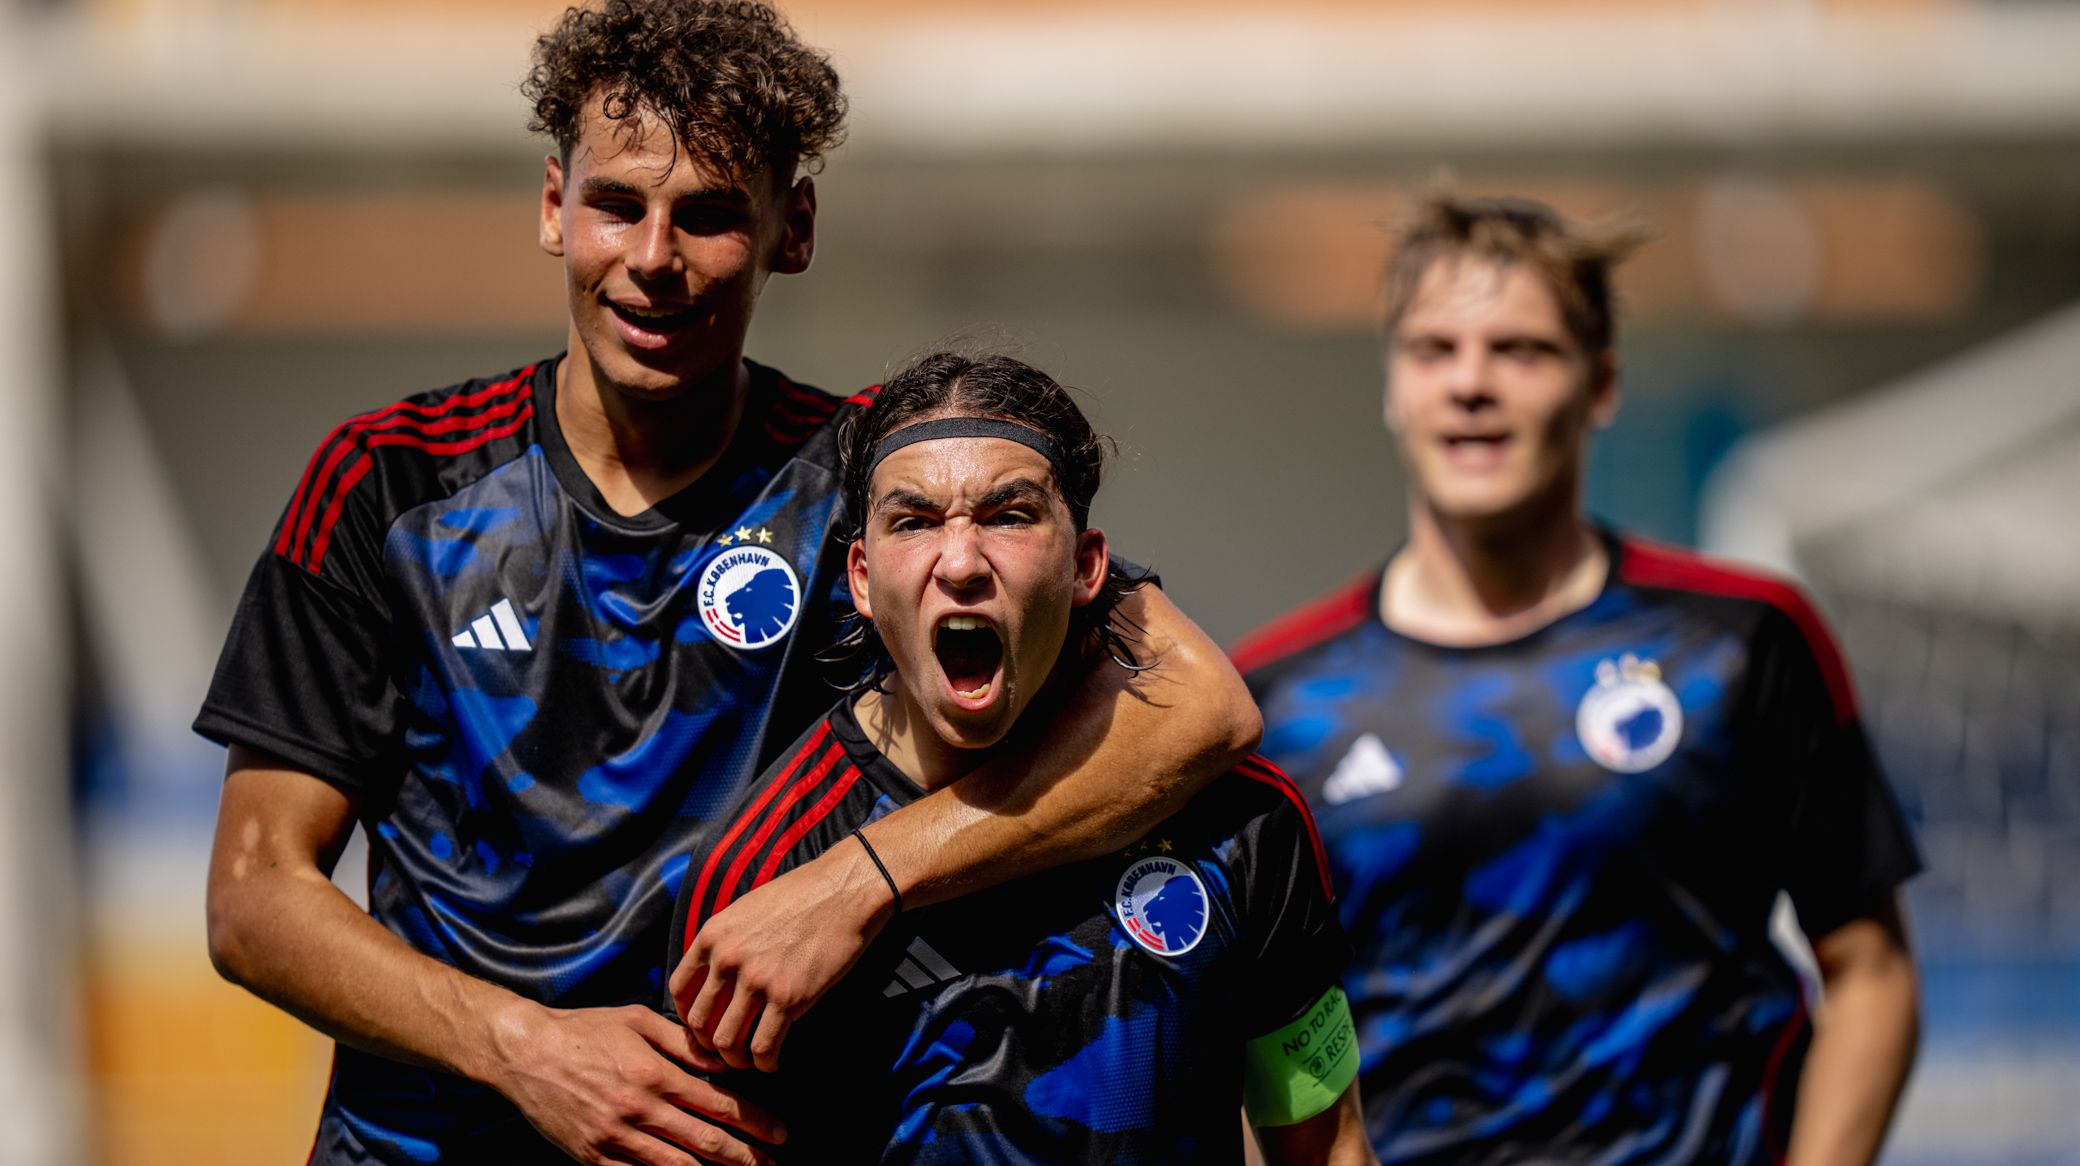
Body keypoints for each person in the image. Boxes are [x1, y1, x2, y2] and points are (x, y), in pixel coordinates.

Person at [195, 4, 1258, 1164]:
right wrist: (523, 1046)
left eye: (706, 215)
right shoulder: (390, 486)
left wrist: (865, 877)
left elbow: (1197, 702)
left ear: (790, 228)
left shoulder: (862, 486)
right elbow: (253, 893)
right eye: (616, 205)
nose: (653, 259)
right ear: (556, 207)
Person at [1231, 195, 1921, 1166]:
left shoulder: (1737, 642)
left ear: (1599, 384)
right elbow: (1267, 1055)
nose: (1471, 383)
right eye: (1433, 350)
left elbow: (1870, 972)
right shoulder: (1277, 702)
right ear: (1392, 385)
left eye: (1521, 349)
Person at [669, 351, 1375, 1164]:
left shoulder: (1244, 819)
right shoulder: (762, 876)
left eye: (1009, 516)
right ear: (860, 578)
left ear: (1087, 568)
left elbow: (1328, 1145)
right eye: (914, 521)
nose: (962, 562)